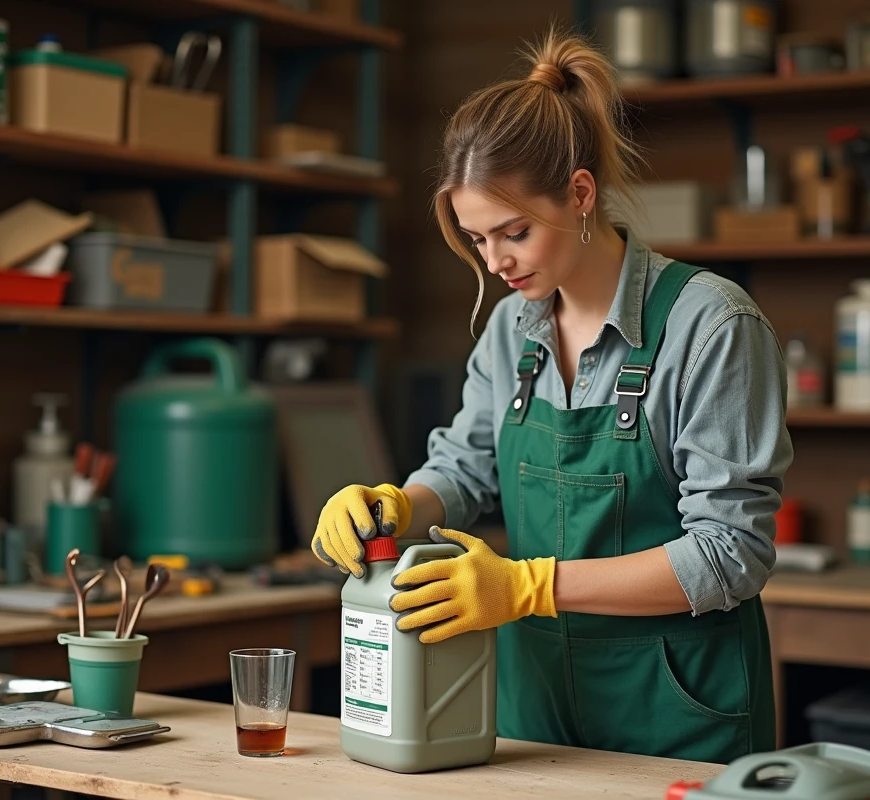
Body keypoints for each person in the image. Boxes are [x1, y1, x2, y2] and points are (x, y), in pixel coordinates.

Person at [311, 27, 792, 765]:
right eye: (477, 240)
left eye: (514, 232)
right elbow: (467, 470)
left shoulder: (712, 323)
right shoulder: (513, 329)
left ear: (579, 193)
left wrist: (529, 585)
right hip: (533, 717)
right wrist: (397, 505)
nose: (496, 261)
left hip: (675, 716)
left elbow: (729, 555)